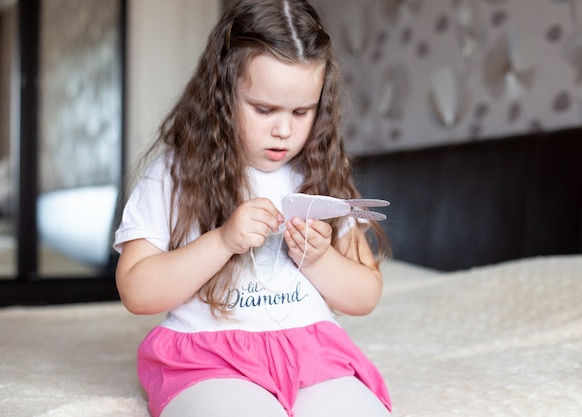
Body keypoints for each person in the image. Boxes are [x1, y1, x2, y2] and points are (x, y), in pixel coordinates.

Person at [113, 0, 392, 416]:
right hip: (210, 360)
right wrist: (222, 241)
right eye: (264, 110)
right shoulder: (175, 172)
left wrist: (317, 259)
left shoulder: (320, 171)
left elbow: (365, 294)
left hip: (312, 353)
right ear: (223, 95)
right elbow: (136, 290)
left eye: (302, 111)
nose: (284, 129)